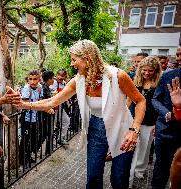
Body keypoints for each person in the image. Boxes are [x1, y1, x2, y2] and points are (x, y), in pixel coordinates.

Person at [13, 40, 146, 189]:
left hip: (123, 129)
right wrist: (23, 104)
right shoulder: (78, 81)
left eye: (74, 59)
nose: (71, 64)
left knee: (118, 178)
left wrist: (134, 130)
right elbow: (52, 101)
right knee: (93, 177)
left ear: (88, 58)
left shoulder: (118, 76)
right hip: (96, 128)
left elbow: (140, 101)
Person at [127, 56, 161, 187]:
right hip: (135, 119)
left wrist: (158, 123)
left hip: (151, 120)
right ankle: (131, 168)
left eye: (150, 71)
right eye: (144, 70)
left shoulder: (159, 83)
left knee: (145, 147)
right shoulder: (136, 81)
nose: (146, 73)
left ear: (156, 71)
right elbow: (129, 99)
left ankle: (140, 169)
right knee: (134, 146)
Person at [151, 47, 181, 189]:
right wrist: (167, 114)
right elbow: (155, 99)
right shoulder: (168, 76)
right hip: (166, 131)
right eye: (177, 54)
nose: (179, 58)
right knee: (161, 169)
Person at [19, 70, 43, 165]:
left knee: (33, 138)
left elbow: (40, 100)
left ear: (39, 79)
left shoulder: (40, 88)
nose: (33, 81)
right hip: (26, 118)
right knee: (25, 139)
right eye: (30, 79)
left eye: (35, 79)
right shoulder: (26, 89)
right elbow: (25, 104)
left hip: (35, 117)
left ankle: (28, 156)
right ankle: (21, 159)